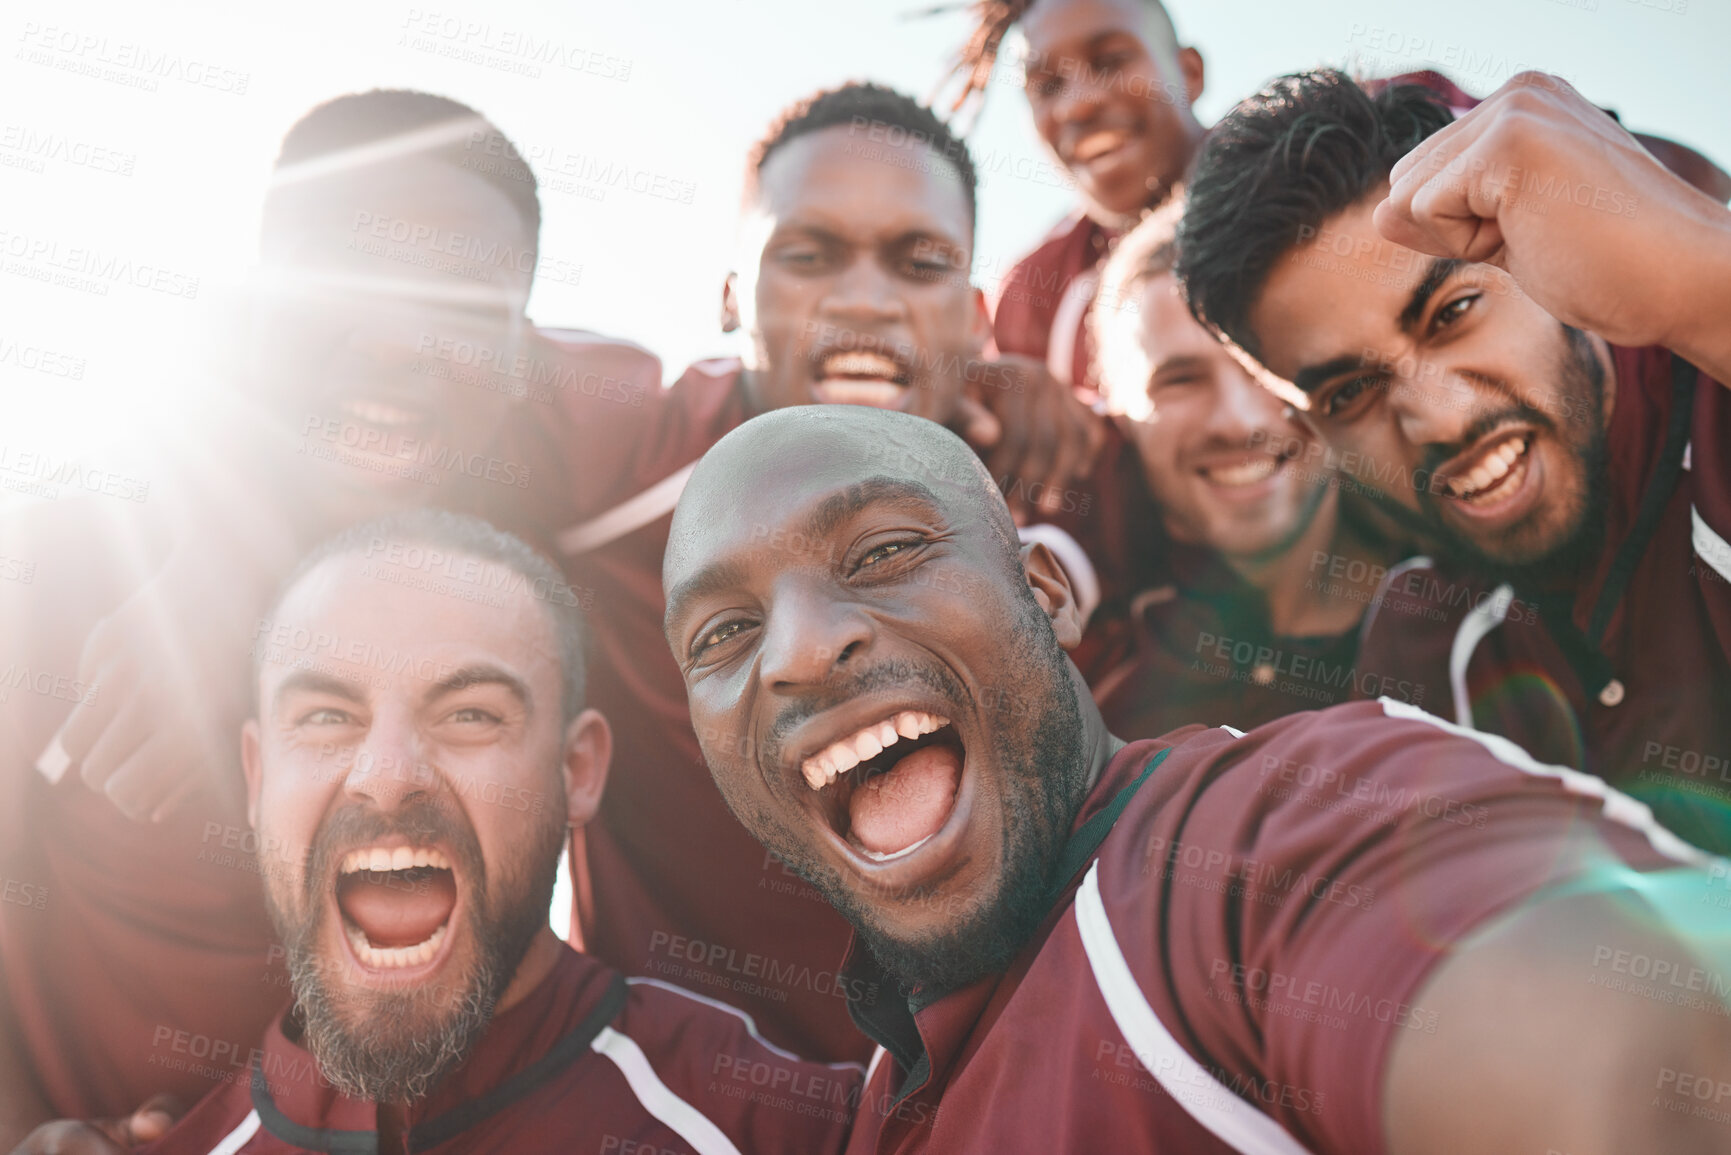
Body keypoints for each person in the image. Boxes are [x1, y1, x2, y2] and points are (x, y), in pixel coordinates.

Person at [660, 402, 1731, 1154]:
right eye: (723, 632)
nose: (797, 650)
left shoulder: (1249, 844)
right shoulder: (881, 1100)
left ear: (1047, 591)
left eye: (884, 552)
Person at [0, 90, 662, 1145]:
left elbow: (788, 391)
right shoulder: (62, 569)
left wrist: (1017, 384)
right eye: (345, 285)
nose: (400, 345)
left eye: (457, 312)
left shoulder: (542, 521)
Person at [17, 511, 860, 1154]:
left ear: (577, 771)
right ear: (256, 775)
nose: (387, 773)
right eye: (324, 715)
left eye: (468, 712)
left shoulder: (794, 1130)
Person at [555, 81, 1099, 1064]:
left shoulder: (1073, 471)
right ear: (730, 293)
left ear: (975, 316)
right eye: (806, 255)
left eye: (918, 260)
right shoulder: (615, 457)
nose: (863, 300)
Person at [1175, 68, 1731, 852]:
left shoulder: (1713, 415)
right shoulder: (1422, 653)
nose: (1441, 418)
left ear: (1540, 252)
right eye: (1350, 392)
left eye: (1452, 312)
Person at [1086, 197, 1410, 734]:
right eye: (1180, 380)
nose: (1235, 422)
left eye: (1262, 364)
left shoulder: (1475, 609)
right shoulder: (1089, 663)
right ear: (1116, 414)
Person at [948, 0, 1206, 397]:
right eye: (1048, 86)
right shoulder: (1031, 295)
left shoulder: (1297, 187)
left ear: (1188, 73)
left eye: (1110, 61)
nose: (1078, 104)